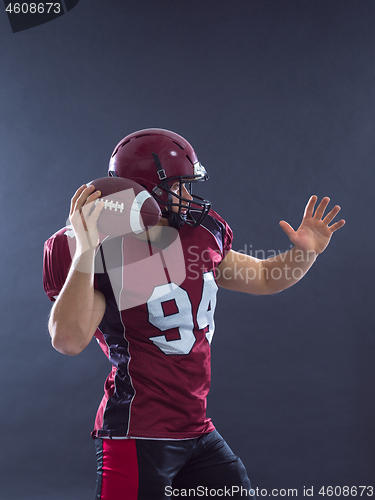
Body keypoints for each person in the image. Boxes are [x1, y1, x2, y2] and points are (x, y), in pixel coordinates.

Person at [43, 128, 345, 500]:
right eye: (178, 186)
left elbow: (267, 277)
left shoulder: (200, 232)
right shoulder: (98, 250)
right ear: (143, 191)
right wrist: (86, 251)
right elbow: (69, 340)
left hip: (196, 428)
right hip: (138, 432)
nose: (188, 196)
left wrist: (305, 254)